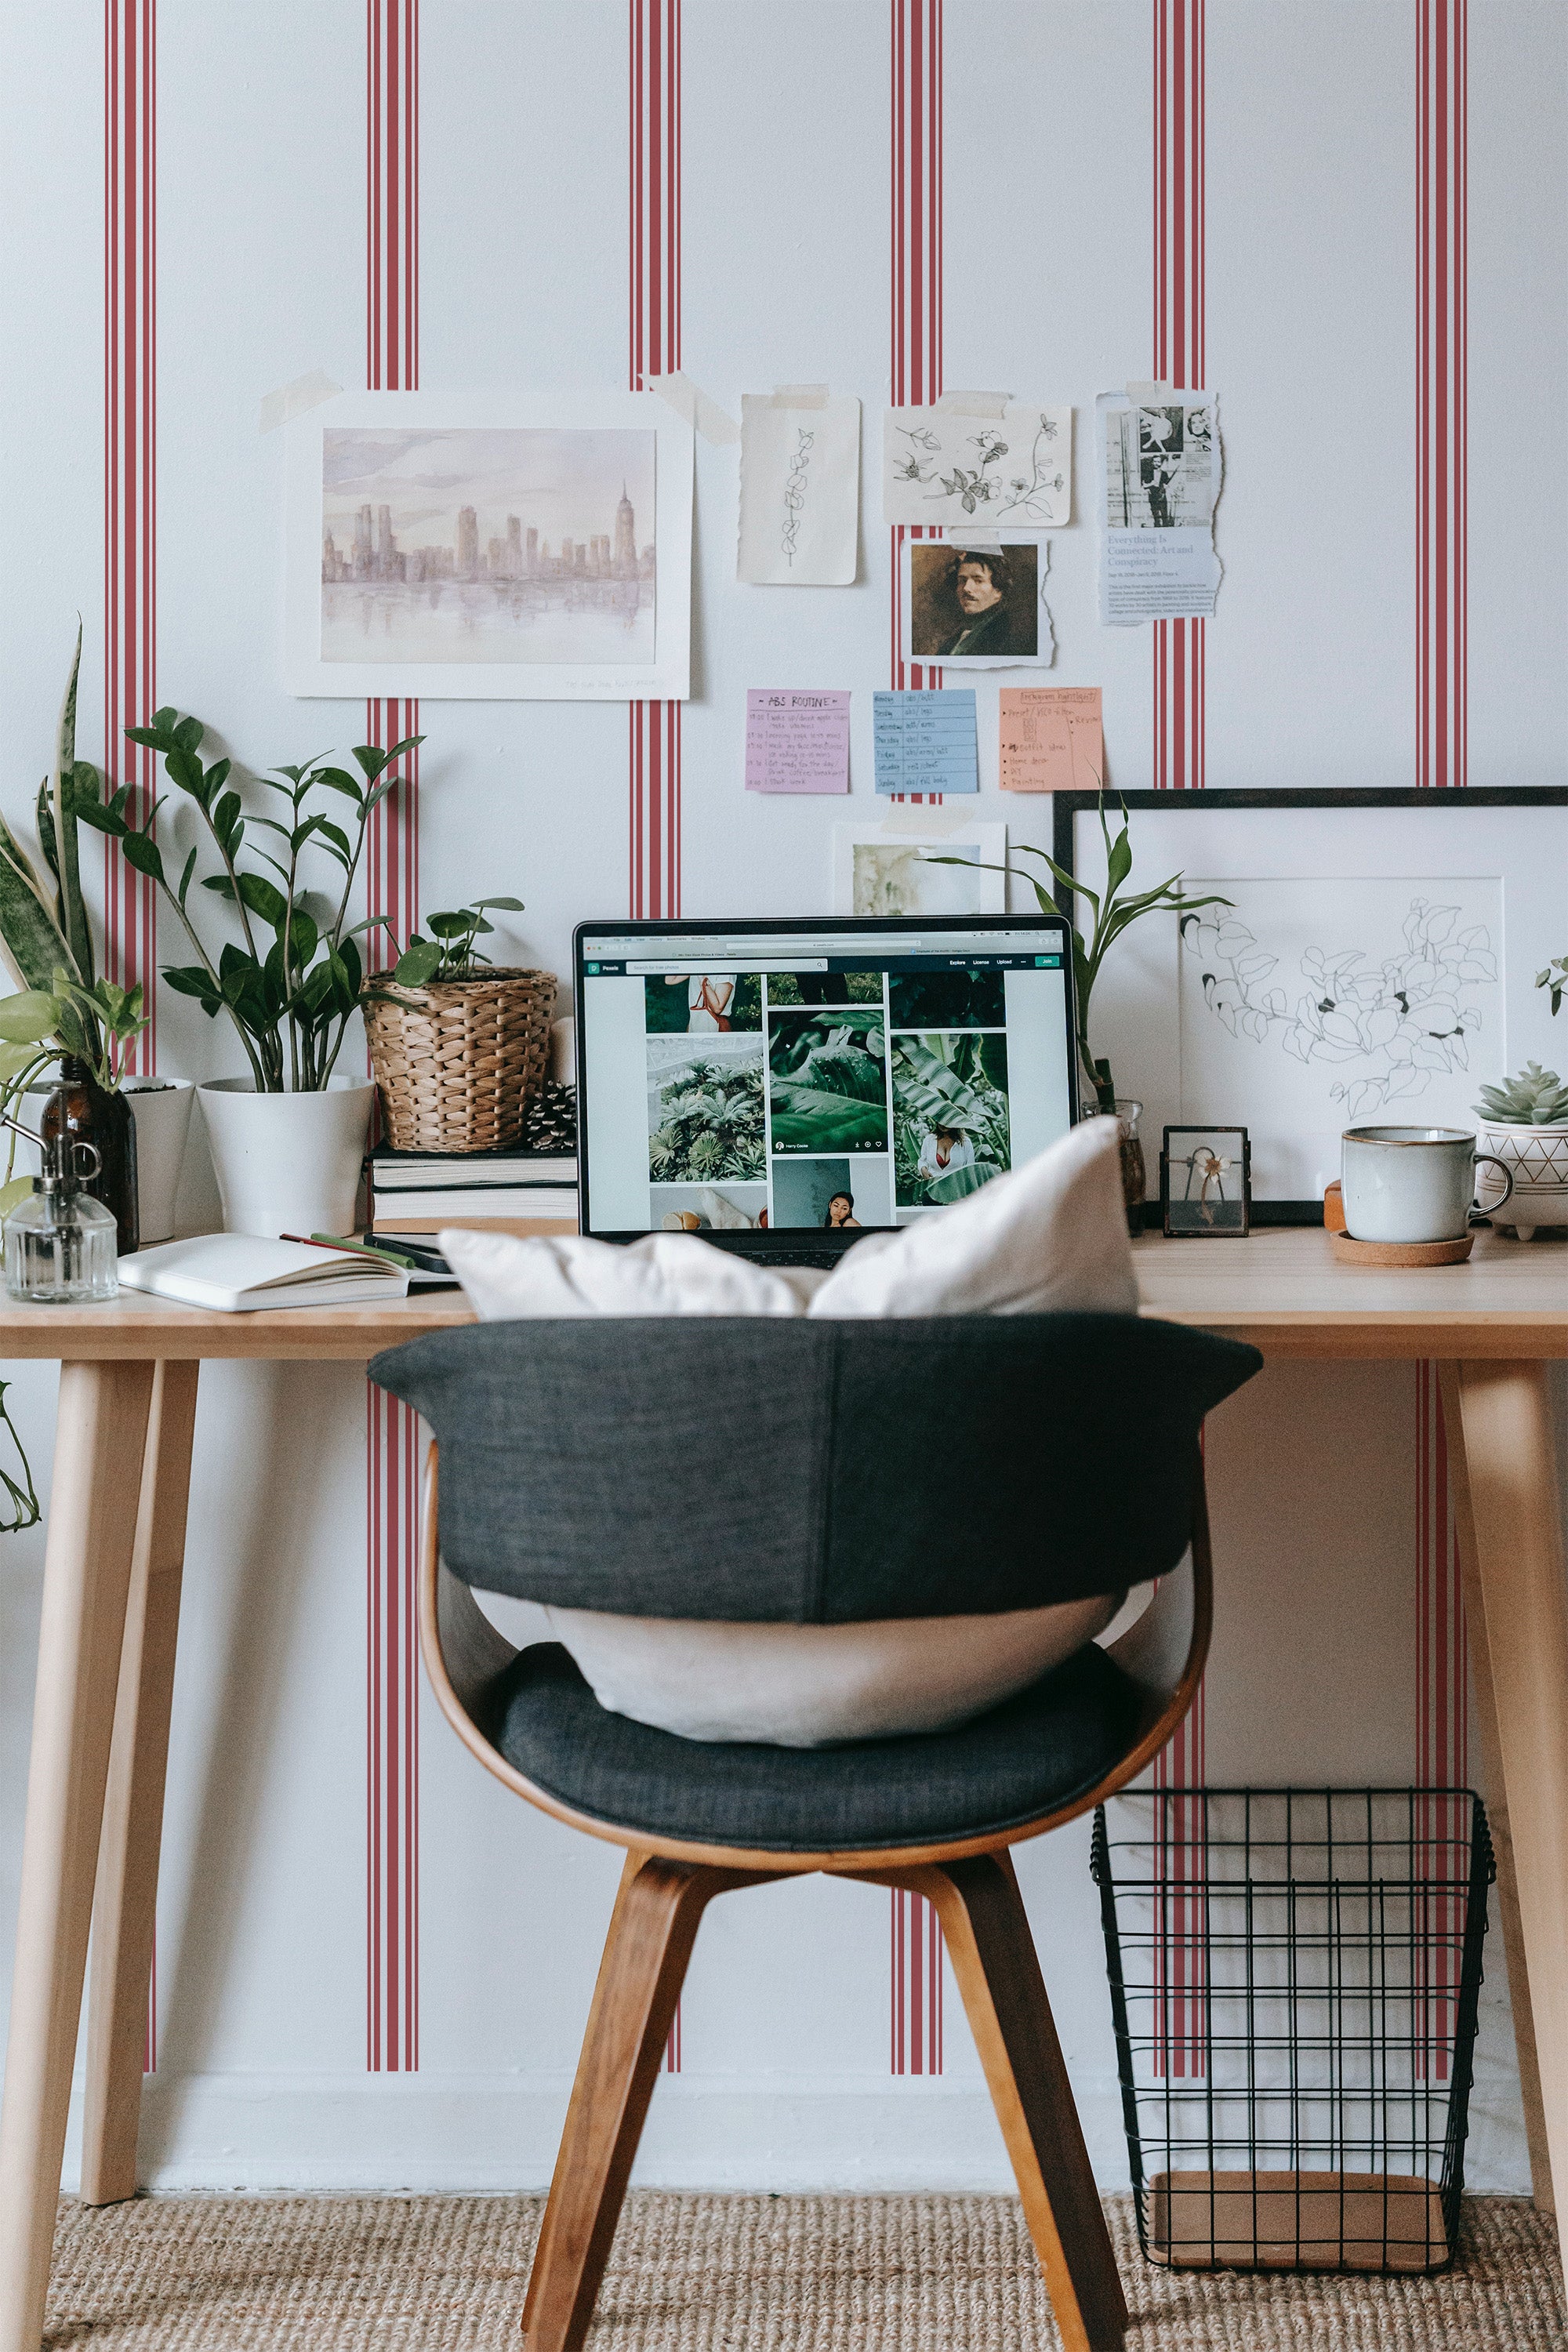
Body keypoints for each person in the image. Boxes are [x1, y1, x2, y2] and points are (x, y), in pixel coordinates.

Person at [934, 548, 1033, 659]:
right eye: (962, 581)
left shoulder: (1008, 636)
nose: (966, 588)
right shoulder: (954, 640)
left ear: (998, 590)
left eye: (978, 580)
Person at [916, 1122, 975, 1186]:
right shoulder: (929, 1140)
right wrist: (923, 1168)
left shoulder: (965, 1143)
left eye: (946, 1120)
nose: (942, 1124)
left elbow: (970, 1170)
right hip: (933, 1187)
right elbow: (923, 1160)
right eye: (940, 1120)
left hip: (957, 1188)